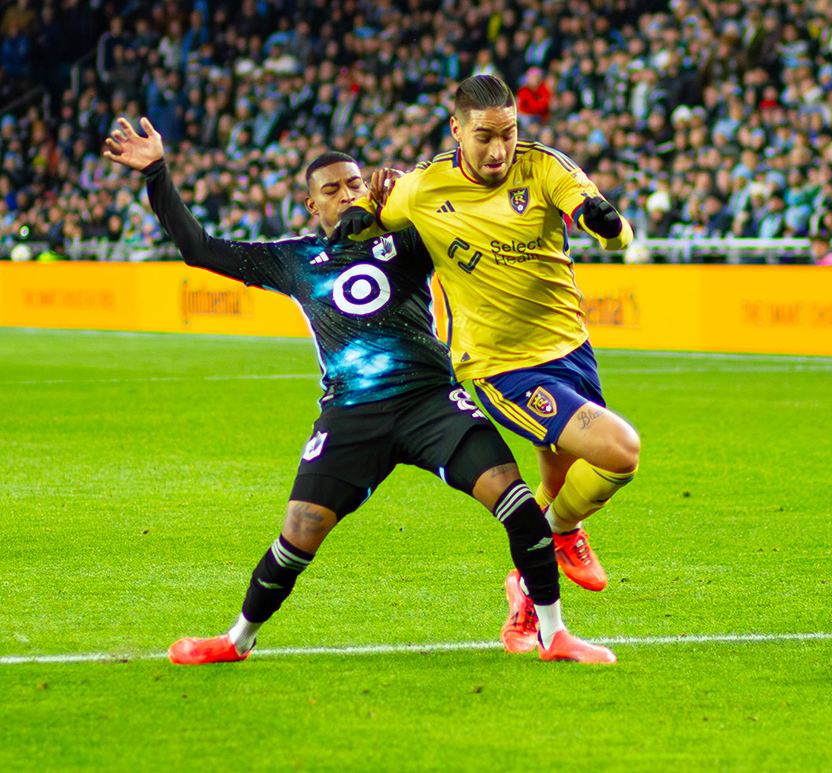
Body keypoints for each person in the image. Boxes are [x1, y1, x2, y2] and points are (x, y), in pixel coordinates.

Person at [102, 116, 615, 665]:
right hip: (352, 414)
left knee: (516, 502)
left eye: (353, 183)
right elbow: (198, 247)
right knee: (298, 534)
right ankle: (237, 640)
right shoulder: (293, 258)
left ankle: (553, 634)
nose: (345, 194)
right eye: (331, 190)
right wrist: (156, 171)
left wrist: (410, 191)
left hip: (429, 402)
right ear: (311, 206)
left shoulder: (409, 237)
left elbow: (460, 208)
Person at [335, 75, 640, 654]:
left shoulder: (545, 167)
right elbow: (371, 217)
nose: (499, 150)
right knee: (619, 452)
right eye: (484, 137)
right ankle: (560, 534)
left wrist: (607, 223)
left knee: (556, 481)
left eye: (509, 133)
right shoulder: (425, 187)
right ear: (456, 130)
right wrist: (358, 214)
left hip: (570, 349)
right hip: (499, 367)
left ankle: (524, 592)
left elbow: (616, 234)